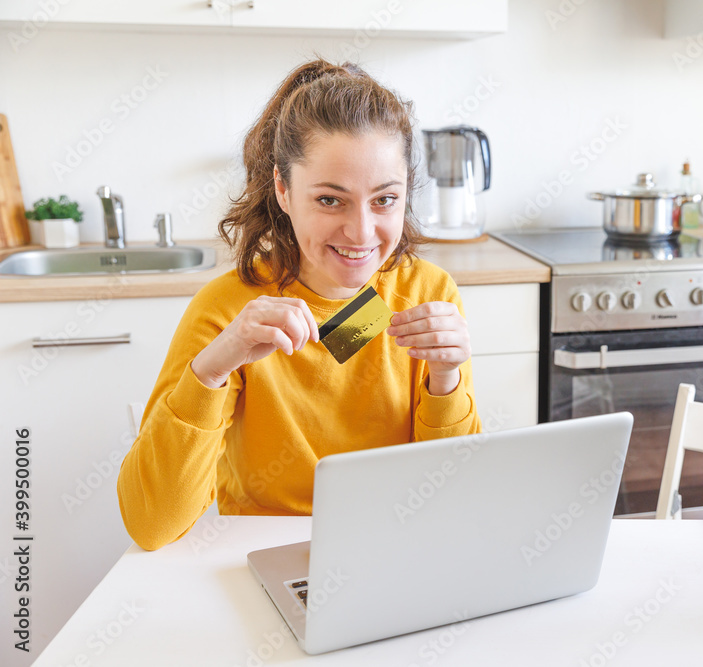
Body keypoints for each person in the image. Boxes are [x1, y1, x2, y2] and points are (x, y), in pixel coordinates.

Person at [118, 60, 482, 551]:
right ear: (283, 190)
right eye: (330, 200)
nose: (360, 232)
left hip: (396, 550)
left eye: (384, 200)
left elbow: (456, 502)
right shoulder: (227, 310)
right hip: (269, 555)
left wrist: (446, 380)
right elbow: (151, 524)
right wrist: (212, 370)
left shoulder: (428, 293)